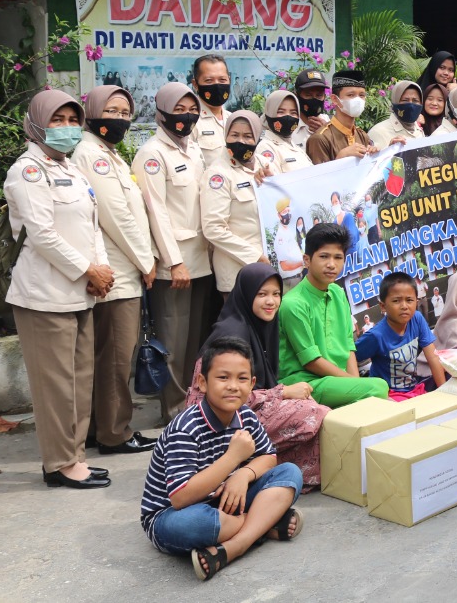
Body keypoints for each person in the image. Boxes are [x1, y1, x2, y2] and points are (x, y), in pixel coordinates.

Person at [5, 89, 114, 488]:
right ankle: (59, 463)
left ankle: (75, 457)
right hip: (44, 295)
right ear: (37, 124)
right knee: (55, 387)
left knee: (80, 381)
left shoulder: (72, 168)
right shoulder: (27, 171)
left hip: (81, 292)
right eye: (57, 120)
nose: (67, 128)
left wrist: (100, 268)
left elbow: (92, 225)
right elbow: (42, 234)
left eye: (72, 121)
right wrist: (88, 270)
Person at [141, 337, 304, 581]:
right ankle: (264, 524)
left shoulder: (245, 416)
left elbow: (269, 457)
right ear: (202, 382)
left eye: (242, 379)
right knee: (197, 524)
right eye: (223, 377)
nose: (233, 386)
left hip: (224, 501)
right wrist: (233, 458)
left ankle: (236, 545)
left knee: (290, 472)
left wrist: (243, 475)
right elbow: (180, 497)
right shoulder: (185, 428)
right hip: (173, 514)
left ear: (252, 384)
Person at [186, 264, 329, 489]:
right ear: (246, 295)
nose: (271, 301)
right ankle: (240, 468)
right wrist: (283, 392)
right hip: (216, 423)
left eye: (276, 294)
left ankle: (274, 469)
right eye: (262, 294)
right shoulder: (232, 334)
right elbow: (219, 394)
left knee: (310, 407)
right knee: (312, 413)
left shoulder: (260, 325)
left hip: (242, 409)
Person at [72, 85, 157, 456]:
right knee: (117, 359)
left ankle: (99, 428)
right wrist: (146, 261)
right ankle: (115, 433)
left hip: (120, 270)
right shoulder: (93, 155)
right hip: (117, 273)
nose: (120, 118)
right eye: (111, 111)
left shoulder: (107, 153)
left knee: (108, 356)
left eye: (125, 112)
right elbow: (116, 216)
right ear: (92, 112)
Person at [134, 82, 214, 422]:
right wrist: (174, 261)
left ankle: (191, 403)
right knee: (173, 342)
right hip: (175, 266)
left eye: (192, 109)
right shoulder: (152, 154)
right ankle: (173, 411)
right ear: (162, 112)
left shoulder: (193, 148)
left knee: (195, 341)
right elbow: (156, 212)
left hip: (202, 260)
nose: (186, 116)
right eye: (178, 110)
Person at [277, 223, 389, 405]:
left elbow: (348, 346)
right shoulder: (293, 304)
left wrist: (355, 385)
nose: (331, 264)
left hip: (338, 381)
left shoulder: (337, 292)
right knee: (379, 387)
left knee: (375, 390)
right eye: (324, 256)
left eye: (338, 257)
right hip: (307, 383)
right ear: (307, 260)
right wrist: (354, 384)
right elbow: (311, 361)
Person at [202, 111, 268, 295]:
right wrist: (255, 257)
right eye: (234, 135)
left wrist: (272, 183)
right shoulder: (218, 174)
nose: (241, 141)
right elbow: (213, 228)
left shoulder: (264, 164)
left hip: (268, 269)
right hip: (237, 272)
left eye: (248, 136)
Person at [355, 273, 445, 401]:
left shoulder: (417, 319)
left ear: (416, 302)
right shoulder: (376, 335)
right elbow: (351, 357)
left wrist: (445, 393)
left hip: (414, 388)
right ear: (383, 306)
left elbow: (433, 357)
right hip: (388, 394)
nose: (404, 306)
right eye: (396, 301)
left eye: (409, 300)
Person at [305, 69, 378, 165]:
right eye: (351, 95)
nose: (358, 100)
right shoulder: (320, 139)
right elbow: (318, 174)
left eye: (361, 95)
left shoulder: (362, 135)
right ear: (335, 99)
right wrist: (341, 157)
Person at [255, 91, 312, 174]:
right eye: (281, 112)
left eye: (293, 113)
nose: (288, 117)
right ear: (269, 113)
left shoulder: (295, 147)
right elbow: (273, 179)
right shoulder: (266, 146)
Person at [191, 54, 231, 166]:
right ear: (195, 84)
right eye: (209, 80)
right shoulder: (191, 122)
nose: (217, 85)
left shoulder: (233, 119)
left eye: (222, 80)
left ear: (229, 80)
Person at [368, 80, 425, 148]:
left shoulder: (419, 131)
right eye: (405, 100)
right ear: (395, 101)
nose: (411, 105)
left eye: (415, 100)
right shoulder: (378, 131)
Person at [272, 198, 305, 290]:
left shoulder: (287, 231)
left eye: (288, 211)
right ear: (279, 215)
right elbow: (285, 265)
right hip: (292, 280)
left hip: (297, 277)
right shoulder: (281, 235)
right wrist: (302, 263)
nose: (288, 214)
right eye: (284, 212)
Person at [292, 68, 329, 149]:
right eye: (308, 95)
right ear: (297, 97)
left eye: (319, 95)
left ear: (324, 97)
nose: (314, 99)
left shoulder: (329, 124)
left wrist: (326, 133)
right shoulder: (290, 127)